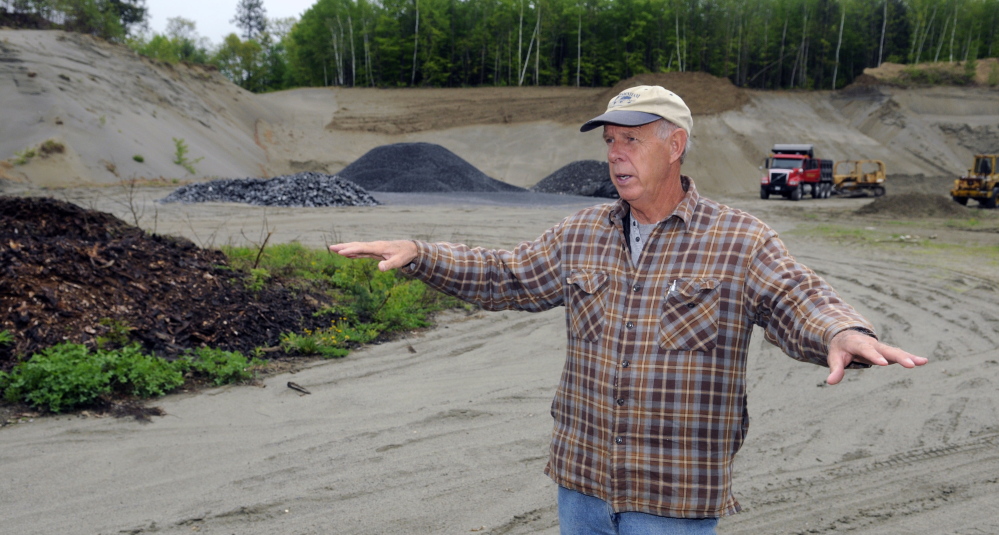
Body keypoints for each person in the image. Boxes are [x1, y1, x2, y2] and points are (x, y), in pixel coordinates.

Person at [330, 85, 927, 534]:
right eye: (610, 141)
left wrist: (842, 331)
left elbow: (796, 296)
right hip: (583, 486)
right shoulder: (582, 233)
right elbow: (507, 274)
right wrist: (421, 253)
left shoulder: (739, 239)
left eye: (632, 139)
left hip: (671, 498)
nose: (615, 154)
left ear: (676, 145)